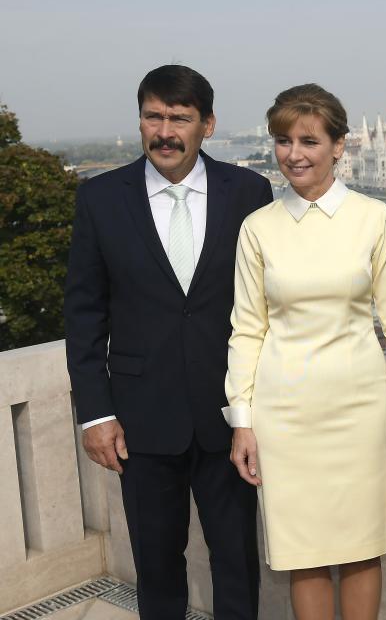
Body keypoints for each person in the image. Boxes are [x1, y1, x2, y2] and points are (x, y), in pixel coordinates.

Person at [223, 83, 386, 620]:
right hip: (285, 415)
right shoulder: (258, 228)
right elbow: (247, 329)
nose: (293, 153)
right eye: (282, 140)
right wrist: (242, 420)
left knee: (364, 547)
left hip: (358, 409)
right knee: (306, 556)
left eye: (308, 140)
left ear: (339, 146)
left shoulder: (373, 217)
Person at [64, 65, 271, 619]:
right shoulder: (101, 199)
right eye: (153, 116)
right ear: (139, 122)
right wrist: (95, 415)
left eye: (179, 118)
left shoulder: (249, 191)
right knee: (155, 565)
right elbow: (83, 315)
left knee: (237, 562)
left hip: (228, 416)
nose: (165, 131)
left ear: (208, 124)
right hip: (140, 420)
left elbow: (269, 306)